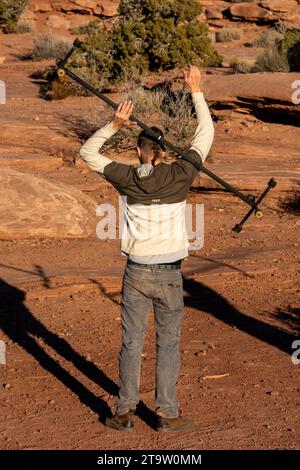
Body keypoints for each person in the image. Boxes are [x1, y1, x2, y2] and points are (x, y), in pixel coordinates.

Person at [80, 66, 214, 432]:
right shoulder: (179, 175)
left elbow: (88, 152)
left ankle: (124, 412)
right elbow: (205, 134)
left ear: (139, 152)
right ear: (162, 152)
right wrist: (196, 90)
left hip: (136, 273)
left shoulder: (124, 178)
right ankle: (166, 414)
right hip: (170, 274)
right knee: (168, 343)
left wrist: (113, 125)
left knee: (130, 343)